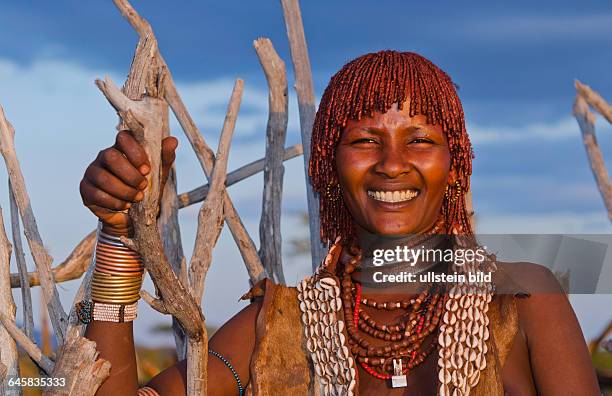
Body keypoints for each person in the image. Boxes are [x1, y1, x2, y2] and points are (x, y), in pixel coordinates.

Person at [80, 51, 600, 395]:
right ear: (331, 167)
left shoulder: (522, 298)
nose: (392, 163)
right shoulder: (281, 324)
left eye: (419, 140)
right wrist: (123, 236)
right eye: (365, 140)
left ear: (455, 164)